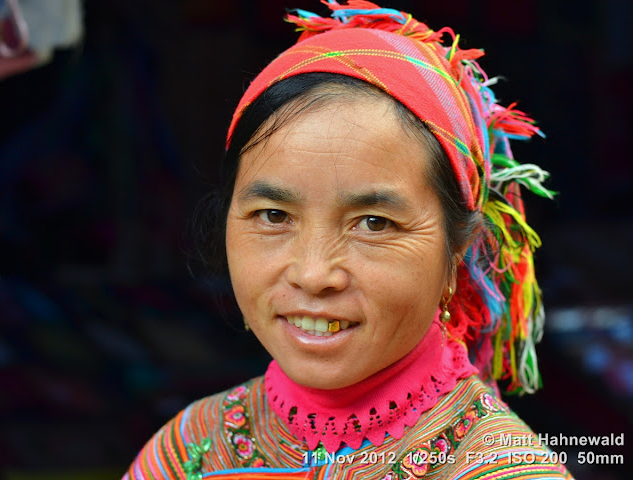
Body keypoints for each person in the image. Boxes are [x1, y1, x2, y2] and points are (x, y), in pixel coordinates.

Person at [124, 1, 574, 478]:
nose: (313, 275)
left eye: (374, 223)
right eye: (273, 215)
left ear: (459, 250)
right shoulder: (188, 448)